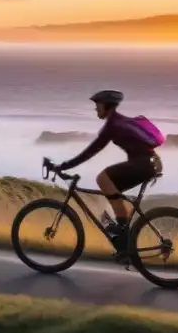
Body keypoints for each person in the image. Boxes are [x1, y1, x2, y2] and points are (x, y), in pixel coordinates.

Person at [51, 90, 164, 250]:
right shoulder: (119, 122)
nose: (96, 109)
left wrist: (63, 166)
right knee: (112, 190)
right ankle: (123, 232)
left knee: (103, 179)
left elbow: (90, 151)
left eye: (98, 105)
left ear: (106, 106)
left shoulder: (113, 125)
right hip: (150, 163)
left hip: (144, 164)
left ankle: (123, 235)